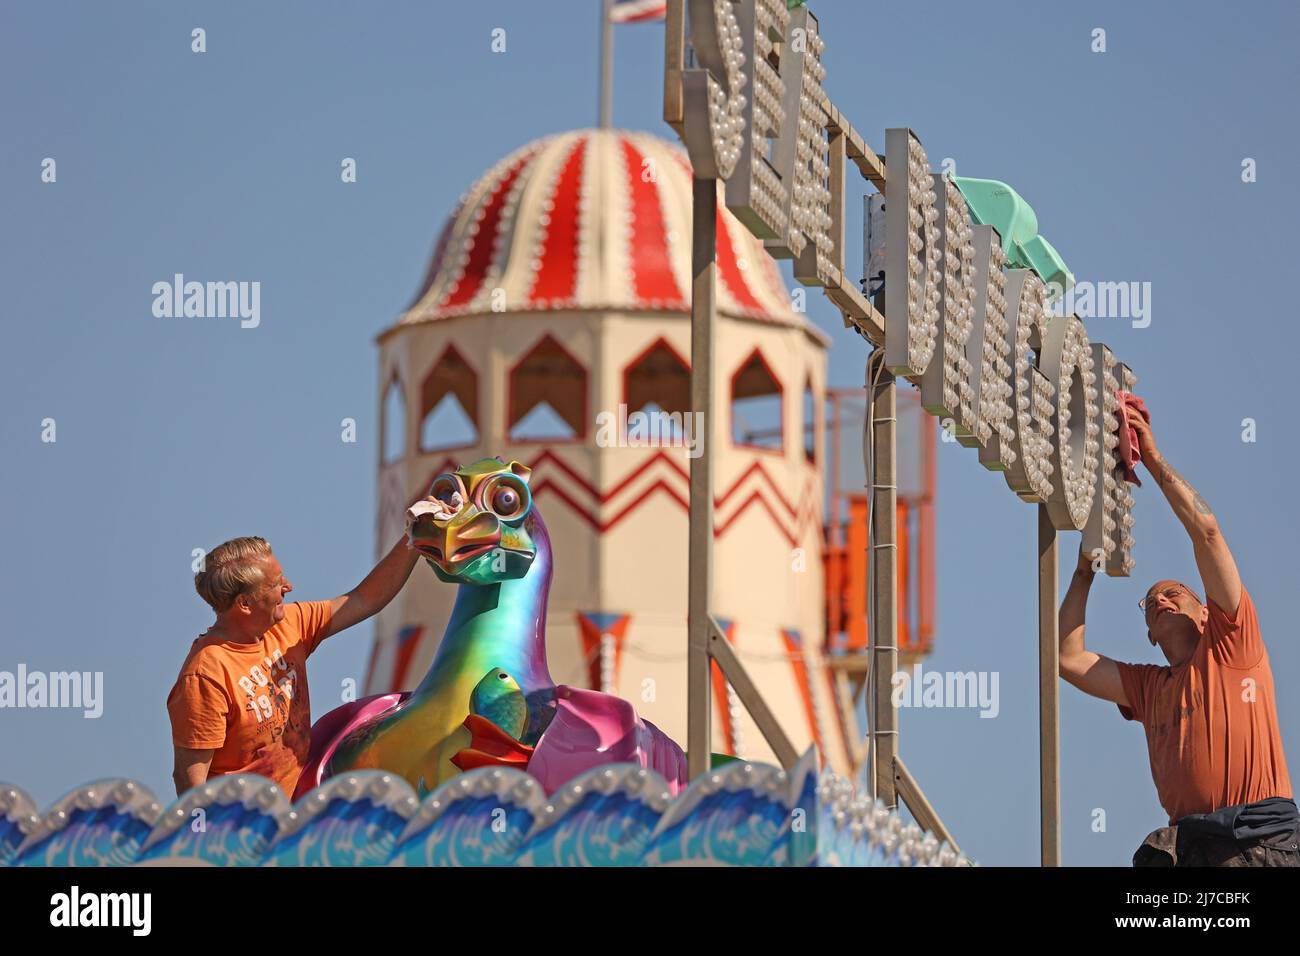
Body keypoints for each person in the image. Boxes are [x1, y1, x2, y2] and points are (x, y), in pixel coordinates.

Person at [1058, 404, 1297, 866]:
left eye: (1173, 593)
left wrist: (1150, 457)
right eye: (1150, 602)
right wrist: (1084, 571)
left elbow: (1206, 531)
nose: (1161, 601)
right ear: (1149, 634)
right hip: (1198, 847)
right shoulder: (1150, 689)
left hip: (1258, 841)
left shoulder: (1232, 643)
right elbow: (1068, 660)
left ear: (1206, 615)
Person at [166, 533, 421, 798]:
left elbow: (365, 599)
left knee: (365, 724)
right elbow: (190, 779)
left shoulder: (288, 624)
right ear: (244, 604)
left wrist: (414, 537)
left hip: (300, 805)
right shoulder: (205, 676)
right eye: (275, 584)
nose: (288, 586)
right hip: (244, 825)